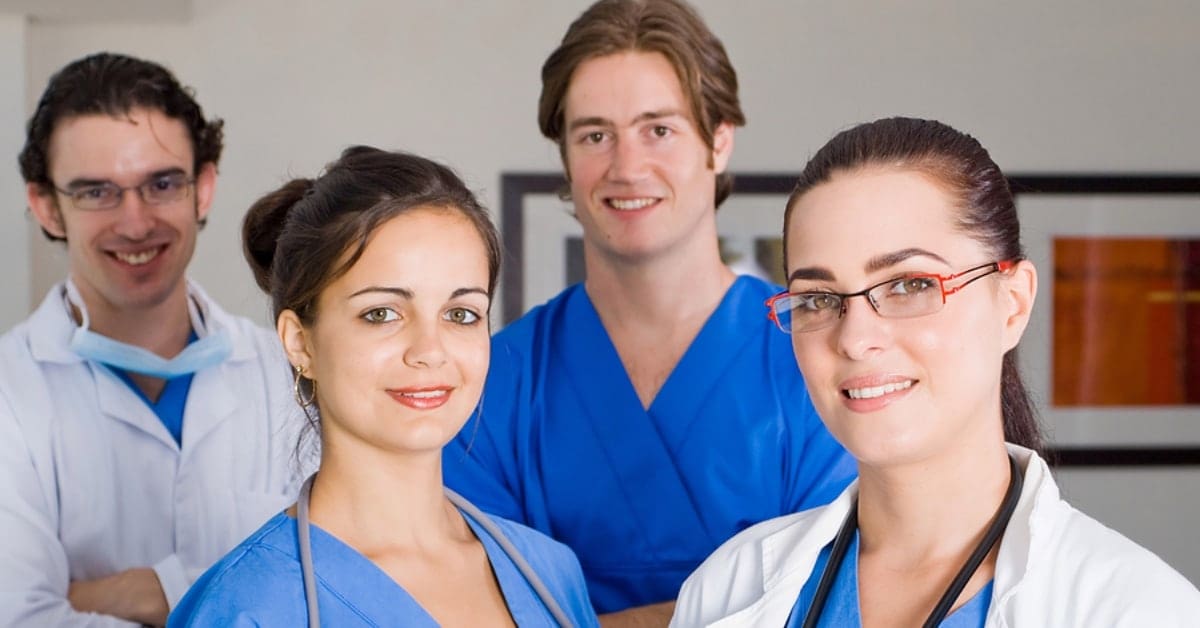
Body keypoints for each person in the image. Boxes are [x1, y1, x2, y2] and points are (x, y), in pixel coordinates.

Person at [671, 117, 1200, 627]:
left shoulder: (1138, 610)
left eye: (909, 285)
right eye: (819, 298)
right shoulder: (726, 591)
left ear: (1012, 304)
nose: (854, 338)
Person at [442, 0, 855, 624]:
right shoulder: (493, 383)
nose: (626, 166)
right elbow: (461, 608)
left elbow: (845, 600)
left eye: (657, 129)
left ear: (719, 141)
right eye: (595, 135)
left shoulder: (817, 358)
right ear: (565, 157)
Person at [169, 146, 599, 627]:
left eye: (461, 314)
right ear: (299, 342)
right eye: (382, 313)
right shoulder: (250, 607)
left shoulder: (549, 574)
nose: (429, 350)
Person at [0, 53, 302, 626]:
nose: (135, 223)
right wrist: (234, 594)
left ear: (203, 188)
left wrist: (140, 592)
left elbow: (335, 589)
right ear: (47, 206)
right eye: (95, 192)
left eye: (161, 184)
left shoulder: (287, 372)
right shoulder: (9, 392)